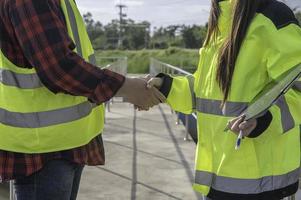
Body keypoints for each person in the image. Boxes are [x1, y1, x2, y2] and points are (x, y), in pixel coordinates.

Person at [0, 0, 164, 199]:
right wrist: (126, 88)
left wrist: (118, 84)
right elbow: (59, 67)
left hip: (65, 144)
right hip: (43, 152)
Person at [147, 0, 301, 199]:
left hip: (262, 186)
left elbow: (297, 89)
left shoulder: (273, 16)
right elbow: (205, 92)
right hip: (217, 178)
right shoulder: (221, 19)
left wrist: (264, 119)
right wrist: (165, 86)